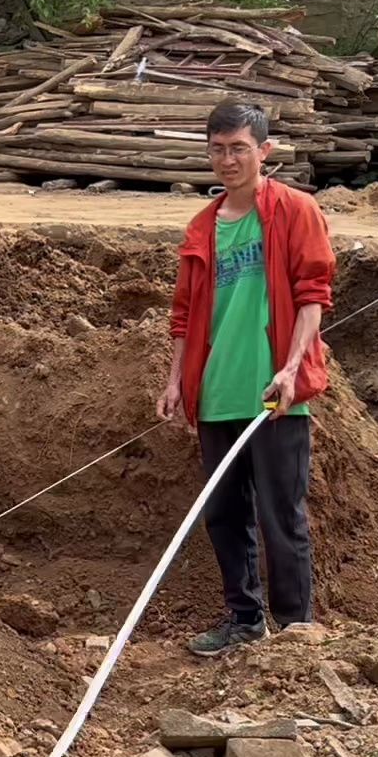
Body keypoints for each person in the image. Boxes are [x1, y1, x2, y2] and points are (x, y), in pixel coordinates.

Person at [157, 100, 335, 656]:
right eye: (217, 148)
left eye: (239, 148)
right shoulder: (202, 226)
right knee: (225, 514)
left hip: (275, 394)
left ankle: (295, 630)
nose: (227, 159)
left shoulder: (294, 211)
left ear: (265, 151)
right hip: (216, 393)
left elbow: (313, 295)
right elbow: (184, 315)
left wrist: (291, 367)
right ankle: (244, 619)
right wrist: (174, 381)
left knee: (281, 513)